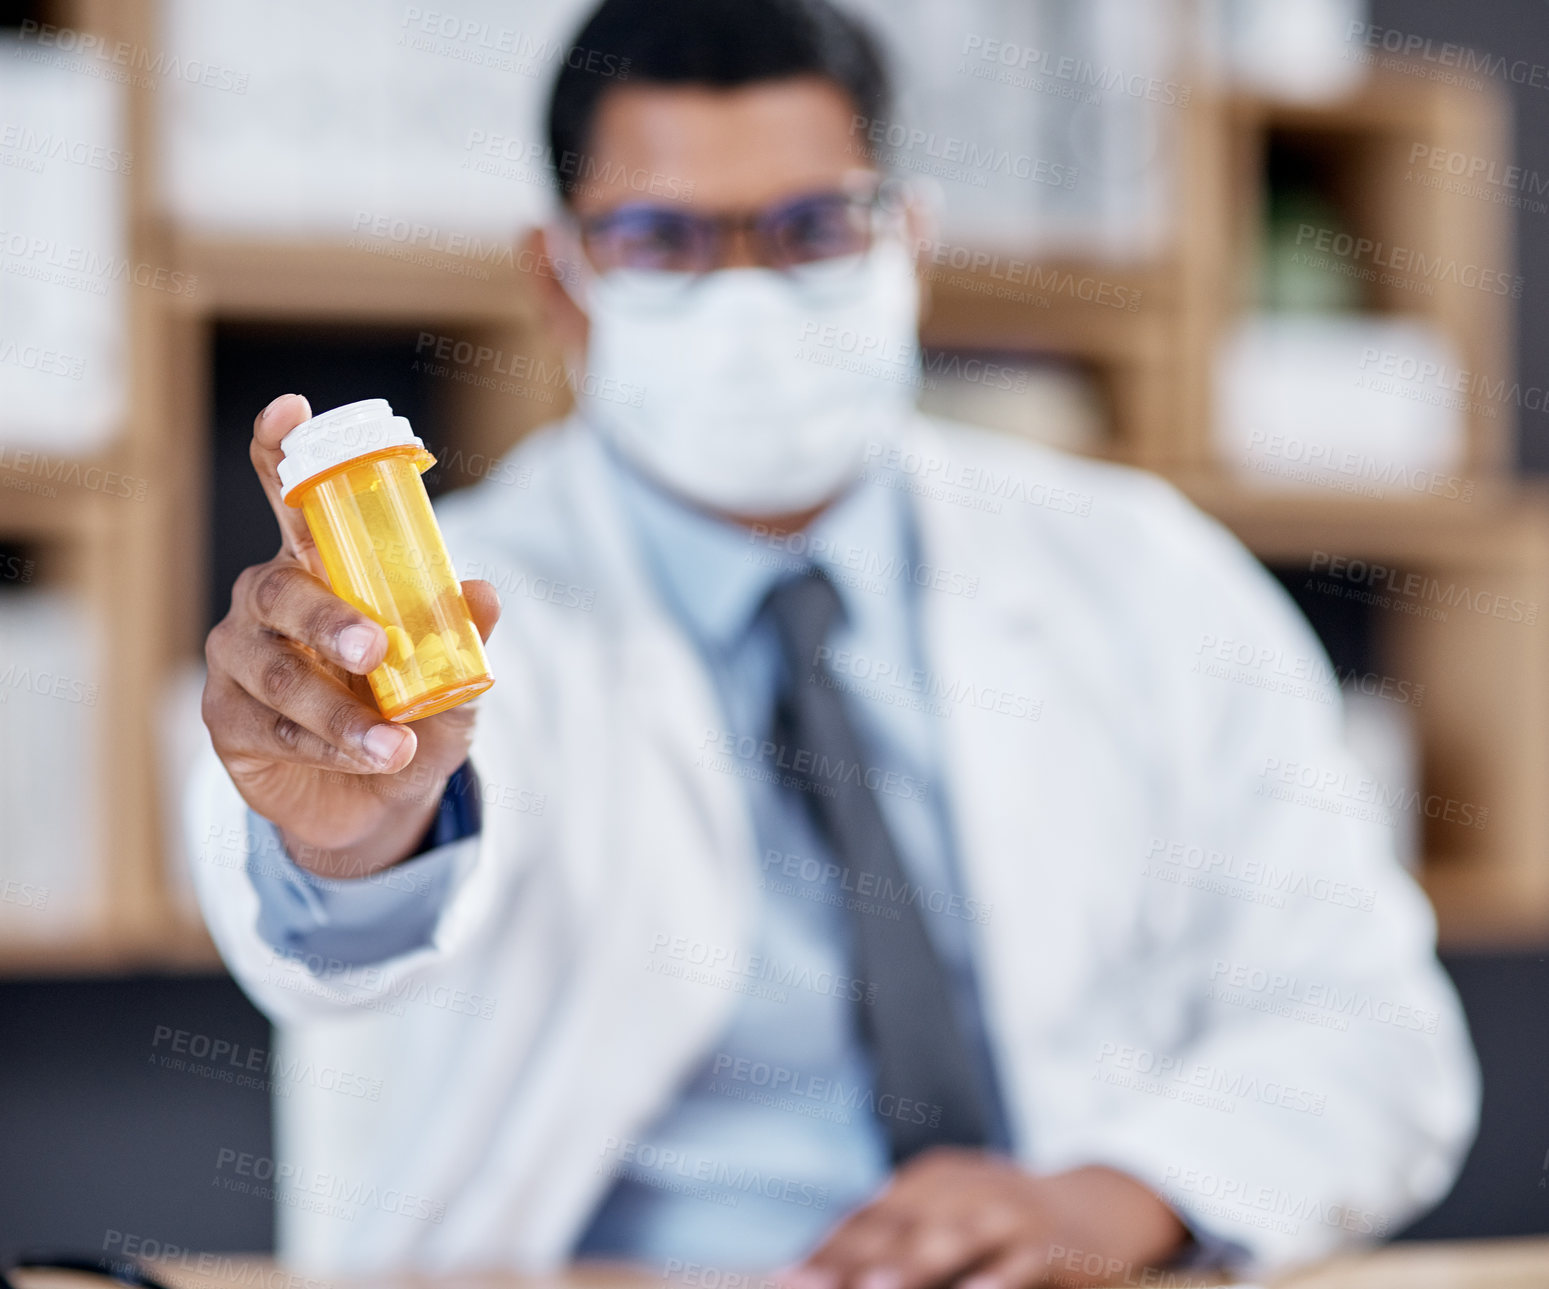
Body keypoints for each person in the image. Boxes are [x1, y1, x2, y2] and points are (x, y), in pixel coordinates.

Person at [187, 0, 1478, 1282]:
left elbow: (1372, 1027)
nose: (745, 294)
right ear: (561, 283)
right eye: (662, 239)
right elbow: (332, 919)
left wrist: (1118, 1196)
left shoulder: (1141, 572)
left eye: (813, 229)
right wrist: (353, 842)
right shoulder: (441, 610)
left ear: (906, 242)